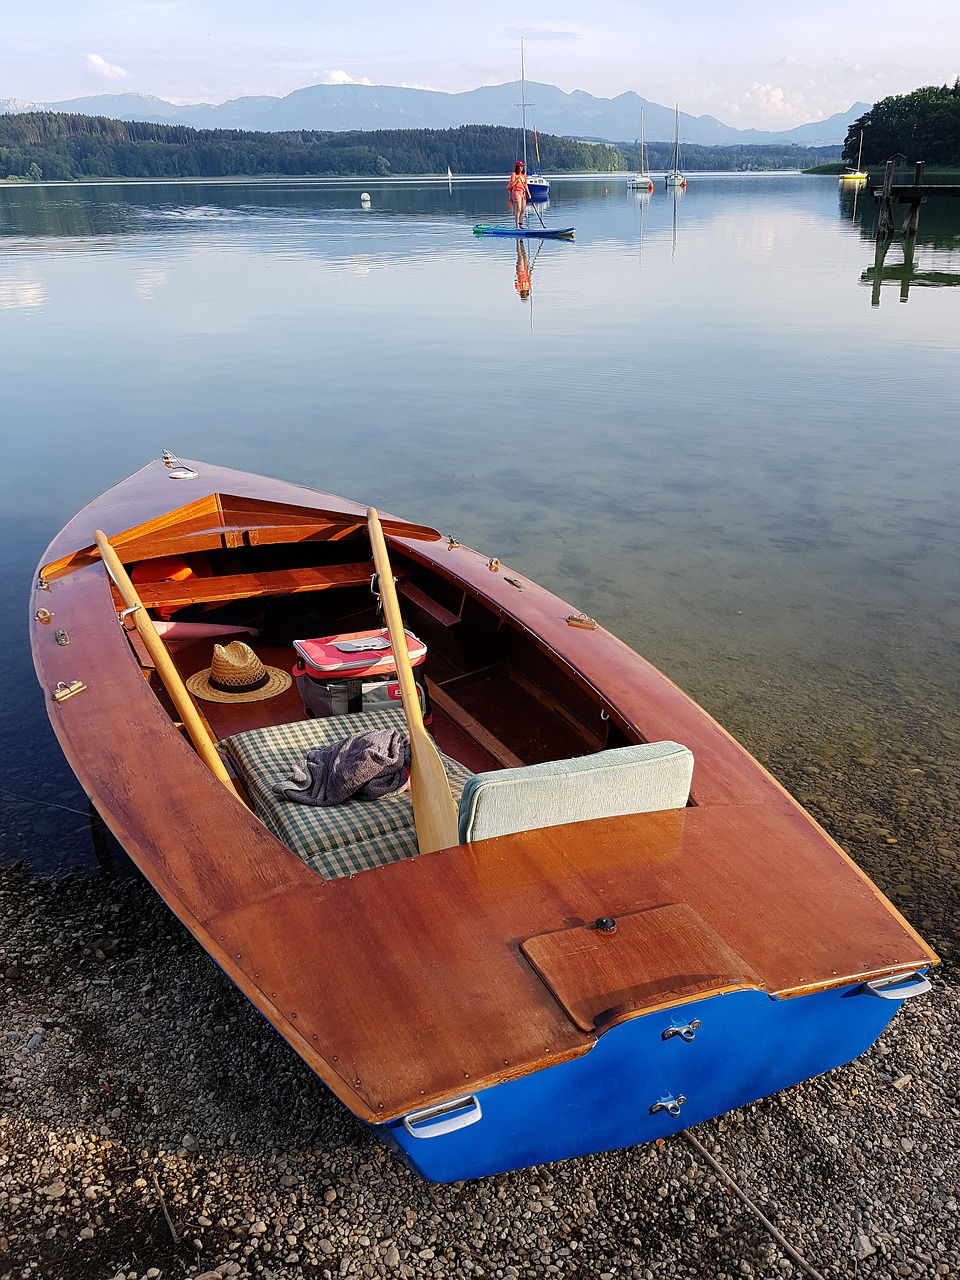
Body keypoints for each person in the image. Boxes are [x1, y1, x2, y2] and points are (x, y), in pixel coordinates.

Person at [507, 160, 530, 230]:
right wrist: (517, 179)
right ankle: (517, 226)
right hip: (516, 192)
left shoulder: (523, 175)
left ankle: (520, 224)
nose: (522, 167)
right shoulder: (514, 174)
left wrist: (528, 193)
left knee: (523, 209)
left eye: (522, 166)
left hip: (523, 192)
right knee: (518, 209)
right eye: (521, 166)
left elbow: (525, 184)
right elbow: (511, 184)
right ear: (517, 167)